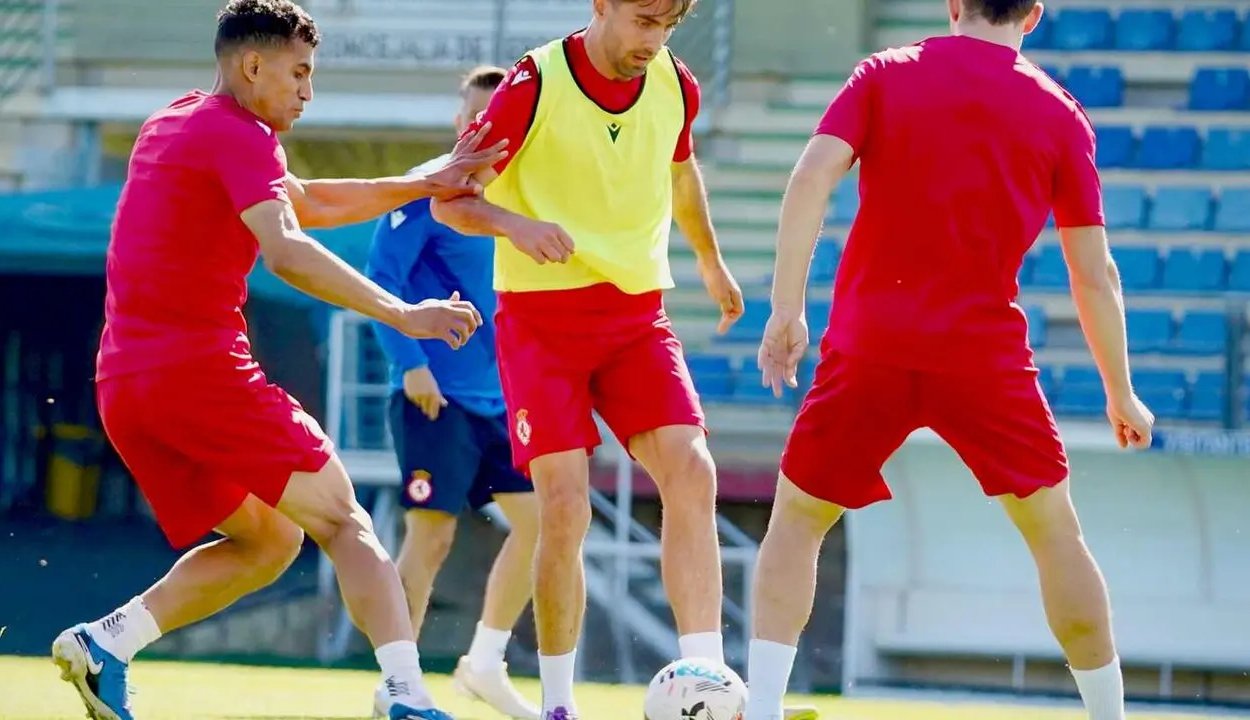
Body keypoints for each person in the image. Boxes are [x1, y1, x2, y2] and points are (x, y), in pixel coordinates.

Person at [48, 2, 506, 719]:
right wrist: (403, 313)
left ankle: (108, 643)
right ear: (251, 65)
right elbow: (288, 249)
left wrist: (427, 181)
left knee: (270, 540)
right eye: (299, 73)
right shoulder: (241, 133)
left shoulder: (175, 121)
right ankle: (405, 697)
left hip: (127, 386)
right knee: (344, 521)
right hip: (198, 373)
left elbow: (309, 202)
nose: (308, 91)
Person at [744, 1, 1156, 719]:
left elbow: (810, 177)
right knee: (1056, 535)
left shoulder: (885, 74)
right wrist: (1121, 391)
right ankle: (1108, 715)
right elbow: (1096, 274)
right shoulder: (1059, 112)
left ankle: (766, 706)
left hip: (871, 345)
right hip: (984, 359)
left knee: (800, 518)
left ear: (953, 5)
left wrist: (786, 307)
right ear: (1033, 15)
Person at [431, 3, 814, 719]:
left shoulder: (677, 83)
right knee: (566, 509)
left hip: (636, 317)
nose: (654, 40)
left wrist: (709, 258)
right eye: (643, 20)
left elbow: (681, 168)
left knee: (692, 473)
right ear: (602, 4)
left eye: (667, 24)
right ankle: (558, 705)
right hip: (541, 324)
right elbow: (451, 201)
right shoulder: (531, 85)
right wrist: (516, 224)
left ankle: (709, 684)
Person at [365, 65, 540, 720]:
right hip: (433, 398)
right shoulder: (428, 186)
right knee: (431, 536)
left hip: (506, 402)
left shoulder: (526, 192)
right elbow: (381, 275)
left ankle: (484, 665)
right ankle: (398, 684)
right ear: (455, 118)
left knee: (544, 527)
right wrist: (410, 363)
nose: (478, 127)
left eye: (491, 117)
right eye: (470, 115)